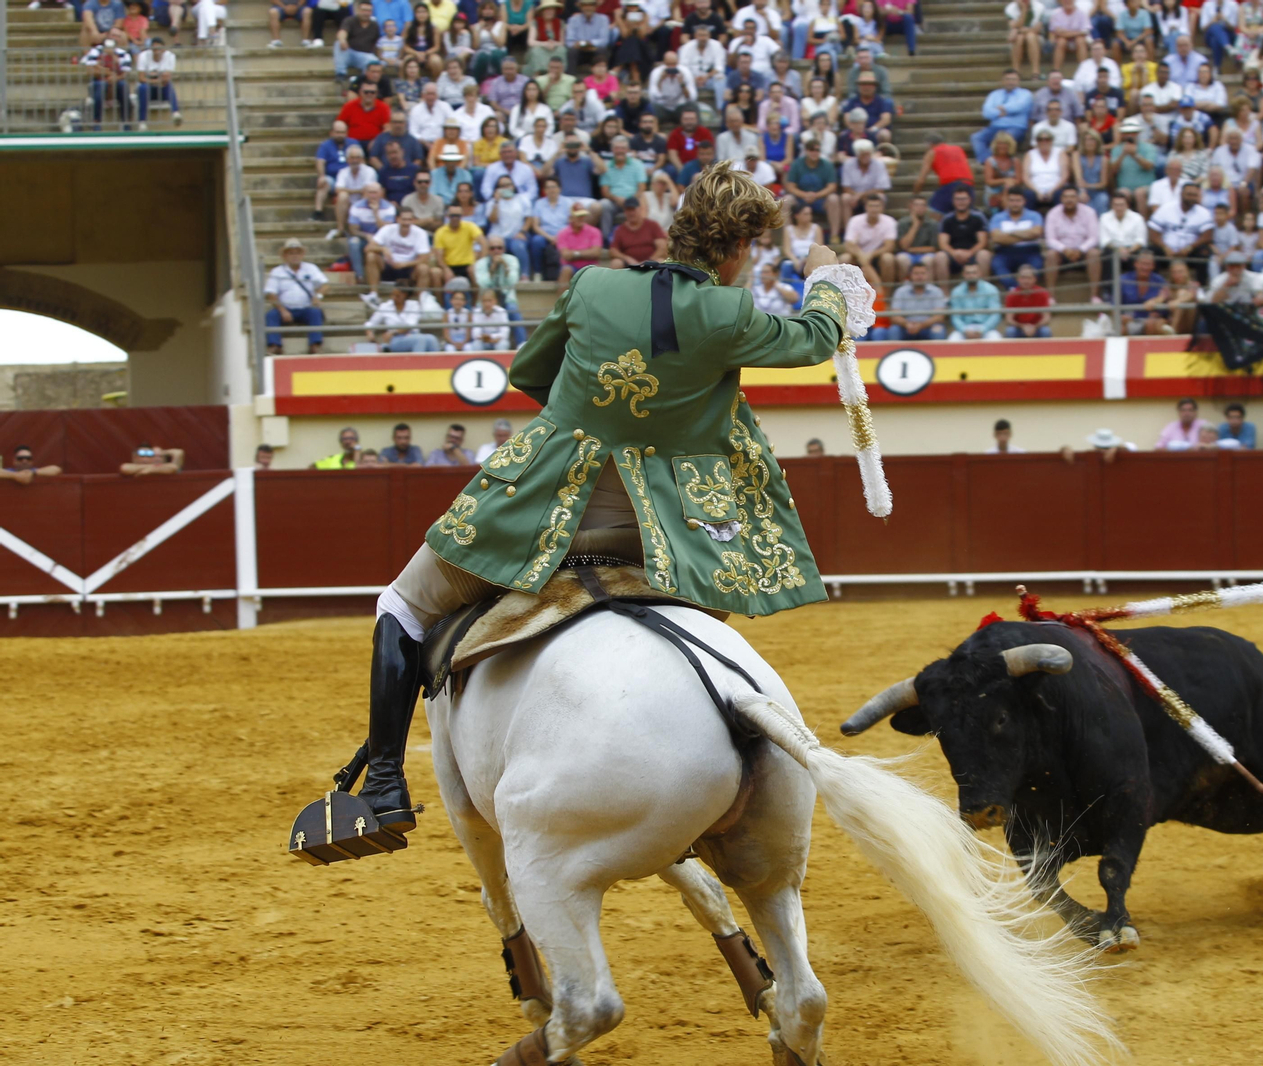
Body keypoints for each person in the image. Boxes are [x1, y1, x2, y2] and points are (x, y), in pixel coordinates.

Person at [333, 161, 866, 846]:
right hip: (664, 533)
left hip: (541, 505)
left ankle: (382, 784)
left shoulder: (591, 285)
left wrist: (589, 407)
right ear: (738, 250)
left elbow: (531, 371)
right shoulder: (731, 313)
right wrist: (826, 277)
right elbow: (817, 338)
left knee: (402, 607)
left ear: (678, 234)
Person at [264, 239, 328, 355]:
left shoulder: (311, 268)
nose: (295, 256)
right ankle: (274, 345)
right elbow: (271, 294)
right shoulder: (277, 272)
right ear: (285, 256)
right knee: (271, 315)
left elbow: (325, 284)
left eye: (297, 253)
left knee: (315, 313)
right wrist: (283, 310)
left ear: (302, 255)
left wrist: (318, 296)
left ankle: (315, 345)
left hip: (305, 307)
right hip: (285, 308)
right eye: (291, 253)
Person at [885, 261, 947, 341]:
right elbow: (894, 316)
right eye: (916, 273)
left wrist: (921, 325)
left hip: (928, 326)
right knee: (894, 330)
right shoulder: (900, 291)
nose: (919, 276)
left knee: (938, 330)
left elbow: (939, 316)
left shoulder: (936, 291)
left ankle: (939, 354)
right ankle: (894, 353)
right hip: (906, 327)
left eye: (923, 273)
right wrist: (906, 324)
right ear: (910, 275)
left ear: (928, 275)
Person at [947, 262, 1003, 341]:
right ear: (963, 274)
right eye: (968, 273)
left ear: (980, 273)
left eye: (974, 272)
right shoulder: (957, 291)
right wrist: (964, 330)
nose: (971, 276)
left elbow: (995, 315)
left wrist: (983, 330)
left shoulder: (991, 289)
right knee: (952, 340)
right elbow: (955, 317)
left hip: (986, 328)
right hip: (965, 328)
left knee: (996, 339)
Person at [1003, 264, 1051, 337]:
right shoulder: (1012, 295)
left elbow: (1046, 318)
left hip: (1037, 327)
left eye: (1029, 278)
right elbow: (1009, 319)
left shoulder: (1042, 293)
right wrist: (1023, 326)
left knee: (1045, 331)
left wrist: (1034, 327)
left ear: (1035, 279)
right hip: (1019, 328)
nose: (1026, 281)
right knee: (1010, 331)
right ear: (1018, 279)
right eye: (1023, 278)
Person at [121, 444, 185, 476]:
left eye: (160, 456)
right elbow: (125, 468)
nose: (157, 458)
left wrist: (163, 452)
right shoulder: (142, 466)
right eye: (154, 456)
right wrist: (151, 468)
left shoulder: (170, 466)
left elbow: (178, 453)